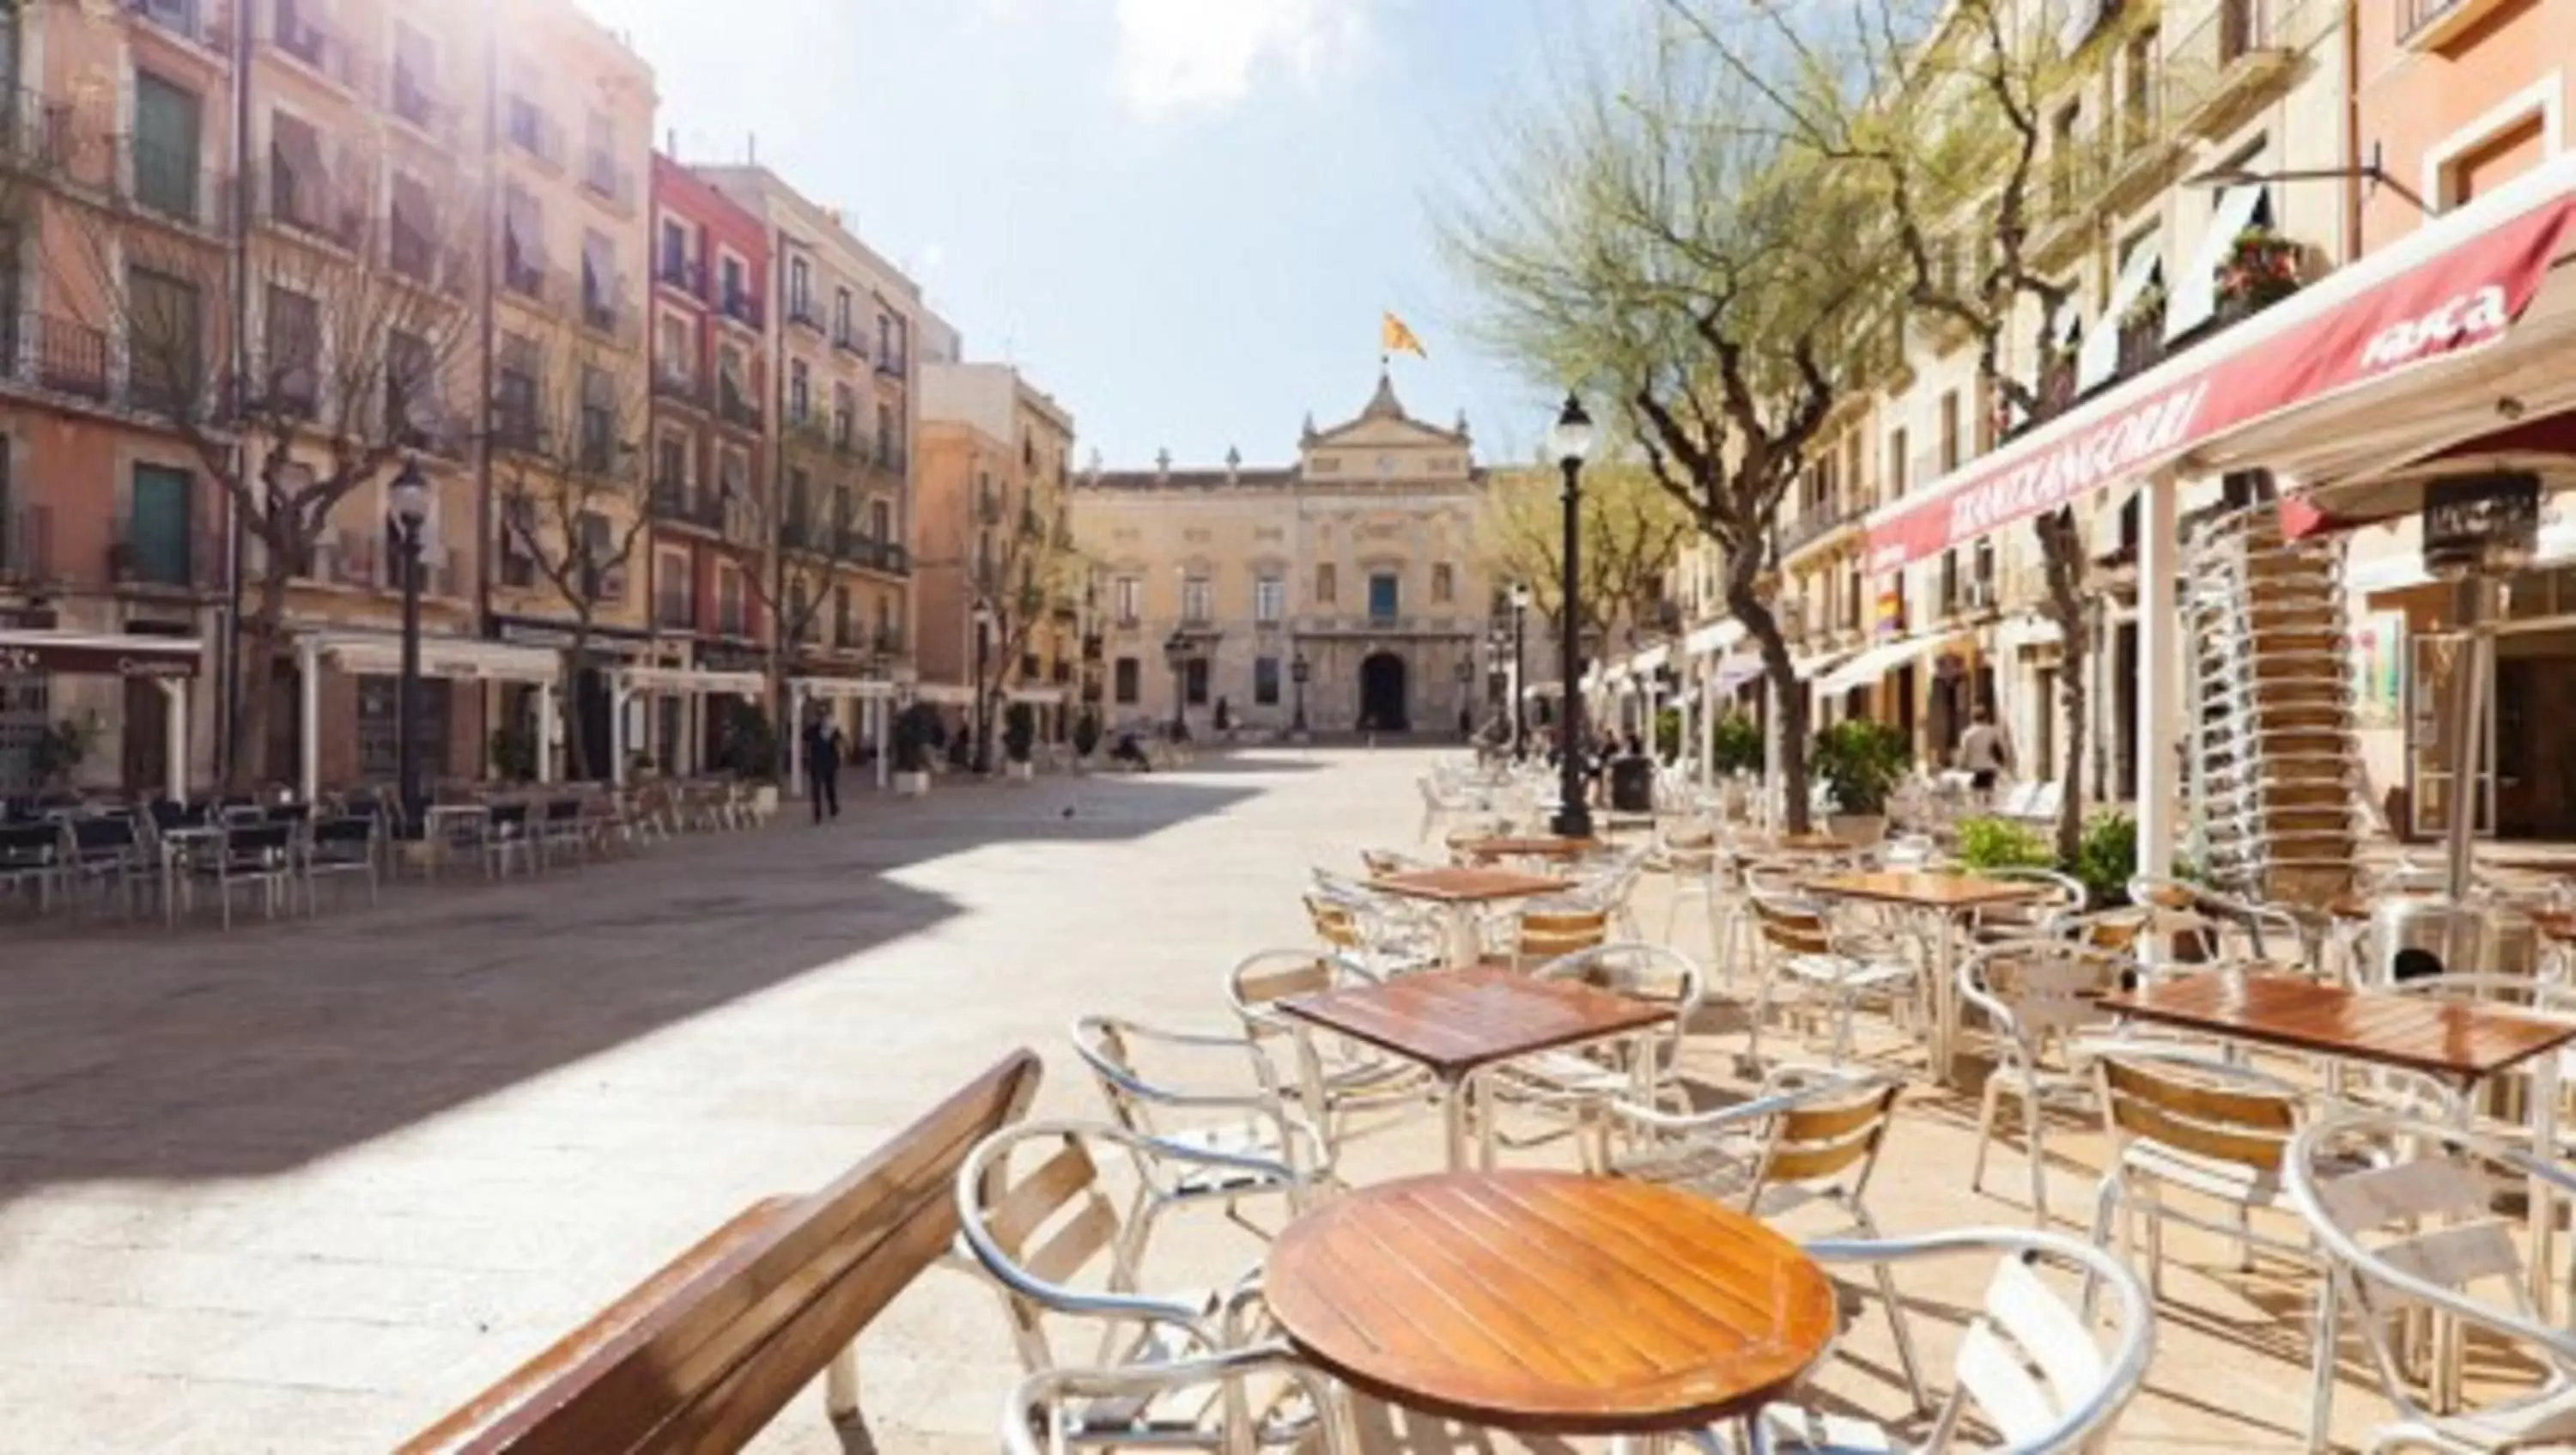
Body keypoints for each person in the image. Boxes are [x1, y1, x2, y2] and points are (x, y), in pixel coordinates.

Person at [1957, 703, 2013, 794]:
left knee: (1977, 794)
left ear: (1972, 718)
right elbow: (2002, 747)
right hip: (1990, 767)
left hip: (1974, 768)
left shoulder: (1967, 734)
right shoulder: (1993, 731)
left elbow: (1964, 753)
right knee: (1989, 792)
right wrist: (2005, 762)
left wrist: (1961, 765)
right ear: (1986, 717)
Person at [802, 710, 844, 823]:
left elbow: (840, 740)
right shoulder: (814, 730)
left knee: (830, 788)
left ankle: (833, 808)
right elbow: (805, 736)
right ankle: (817, 815)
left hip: (830, 763)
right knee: (816, 789)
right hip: (817, 764)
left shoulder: (833, 730)